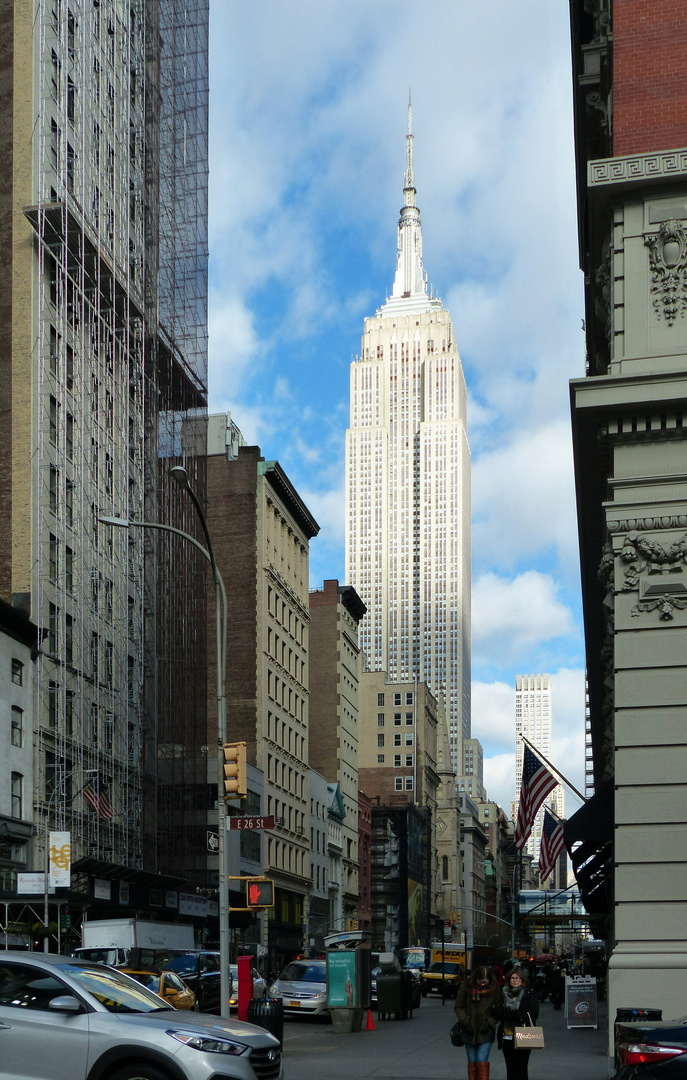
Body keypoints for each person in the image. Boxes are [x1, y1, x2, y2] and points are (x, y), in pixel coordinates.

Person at [454, 965, 503, 1080]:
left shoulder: (494, 988)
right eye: (481, 982)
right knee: (472, 1061)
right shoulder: (466, 986)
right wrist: (466, 1021)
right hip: (469, 1029)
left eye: (485, 982)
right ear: (475, 979)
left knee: (481, 1059)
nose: (483, 984)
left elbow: (500, 1009)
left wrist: (490, 1022)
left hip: (486, 1030)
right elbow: (458, 1007)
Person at [497, 966, 540, 1080]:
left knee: (522, 1068)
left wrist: (516, 1014)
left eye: (517, 978)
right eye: (512, 978)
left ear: (522, 979)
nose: (514, 980)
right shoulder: (503, 993)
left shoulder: (529, 993)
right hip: (507, 1035)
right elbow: (499, 1012)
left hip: (523, 1034)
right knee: (510, 1068)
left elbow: (534, 1013)